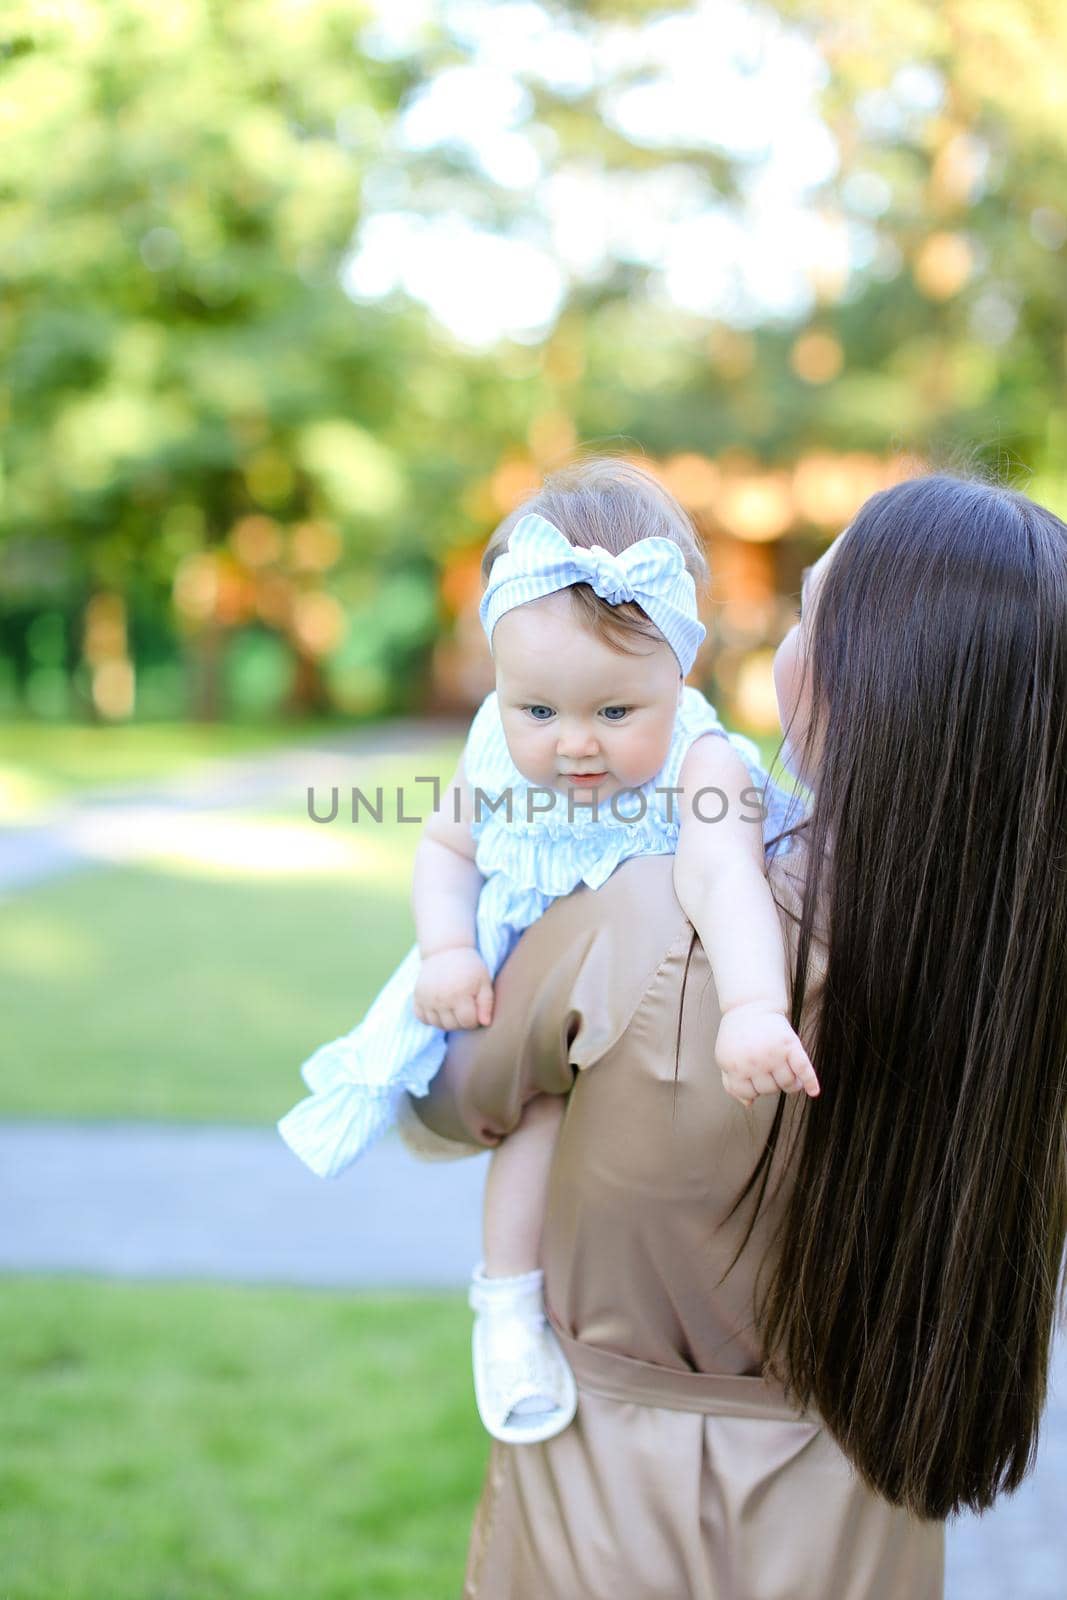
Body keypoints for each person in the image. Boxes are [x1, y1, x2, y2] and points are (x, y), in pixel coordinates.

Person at [401, 473, 1067, 1599]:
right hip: (864, 1527)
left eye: (810, 615)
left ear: (861, 684)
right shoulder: (1023, 986)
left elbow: (440, 1098)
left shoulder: (647, 918)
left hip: (604, 1524)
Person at [277, 457, 816, 1444]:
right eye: (537, 710)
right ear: (501, 683)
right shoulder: (493, 745)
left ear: (677, 673)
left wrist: (753, 1007)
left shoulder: (700, 765)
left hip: (664, 1017)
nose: (572, 744)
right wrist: (444, 950)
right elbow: (445, 846)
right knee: (532, 1132)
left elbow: (718, 878)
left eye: (614, 713)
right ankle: (505, 1307)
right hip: (530, 1009)